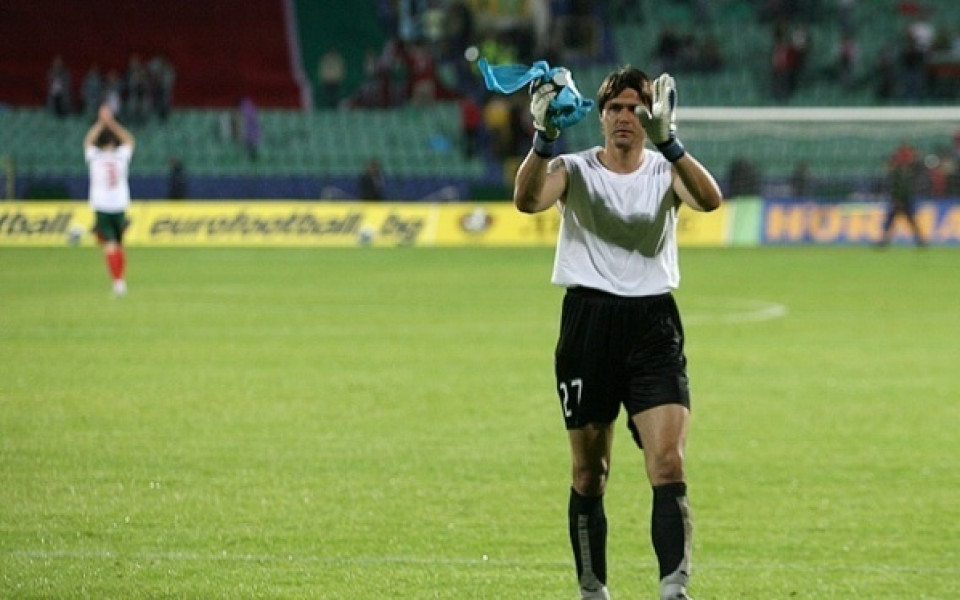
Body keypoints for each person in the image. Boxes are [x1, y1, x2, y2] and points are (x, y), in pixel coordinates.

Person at [513, 66, 723, 600]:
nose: (625, 117)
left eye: (635, 108)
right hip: (588, 325)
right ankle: (592, 590)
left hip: (653, 325)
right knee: (590, 473)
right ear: (600, 117)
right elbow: (528, 201)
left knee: (669, 461)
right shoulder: (573, 167)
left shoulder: (662, 169)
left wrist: (671, 143)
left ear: (649, 115)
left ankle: (674, 590)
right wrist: (543, 139)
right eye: (615, 108)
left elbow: (709, 200)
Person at [83, 104, 136, 297]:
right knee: (119, 244)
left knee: (110, 245)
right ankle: (120, 280)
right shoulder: (121, 156)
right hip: (120, 205)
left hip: (102, 205)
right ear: (114, 144)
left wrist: (101, 121)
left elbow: (88, 141)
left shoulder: (95, 157)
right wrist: (112, 123)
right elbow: (129, 140)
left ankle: (118, 282)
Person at [878, 142, 926, 247]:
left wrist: (898, 199)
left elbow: (898, 188)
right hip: (901, 199)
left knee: (899, 220)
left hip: (902, 199)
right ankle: (919, 240)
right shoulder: (902, 172)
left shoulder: (898, 173)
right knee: (902, 220)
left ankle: (884, 240)